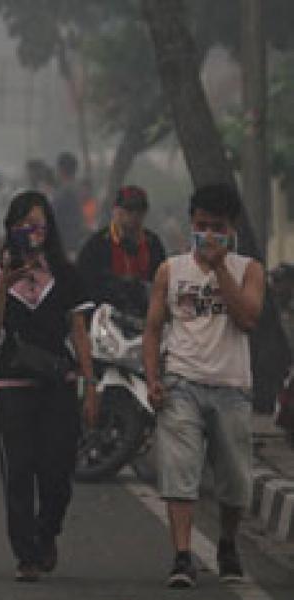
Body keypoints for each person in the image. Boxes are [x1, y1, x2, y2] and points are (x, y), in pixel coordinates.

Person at [142, 184, 264, 589]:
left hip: (231, 386)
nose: (208, 234)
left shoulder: (248, 270)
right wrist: (153, 378)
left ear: (231, 229)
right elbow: (153, 329)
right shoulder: (170, 271)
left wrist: (219, 268)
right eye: (201, 226)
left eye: (217, 227)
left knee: (234, 480)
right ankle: (182, 555)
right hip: (182, 383)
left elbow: (247, 318)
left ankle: (227, 542)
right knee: (180, 472)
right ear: (190, 223)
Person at [0, 190, 98, 583]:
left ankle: (48, 531)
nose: (33, 232)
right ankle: (25, 554)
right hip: (13, 384)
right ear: (11, 229)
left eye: (39, 225)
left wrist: (90, 385)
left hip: (58, 384)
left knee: (57, 471)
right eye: (25, 225)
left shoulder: (65, 274)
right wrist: (3, 286)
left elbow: (79, 331)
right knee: (18, 471)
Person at [76, 185, 166, 316]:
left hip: (145, 317)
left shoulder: (153, 244)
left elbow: (161, 285)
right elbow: (83, 289)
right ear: (115, 210)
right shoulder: (96, 245)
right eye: (129, 209)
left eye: (140, 210)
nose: (134, 215)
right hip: (104, 318)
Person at [51, 152, 85, 257]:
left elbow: (55, 217)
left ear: (61, 169)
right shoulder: (79, 189)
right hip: (76, 240)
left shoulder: (63, 192)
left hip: (66, 243)